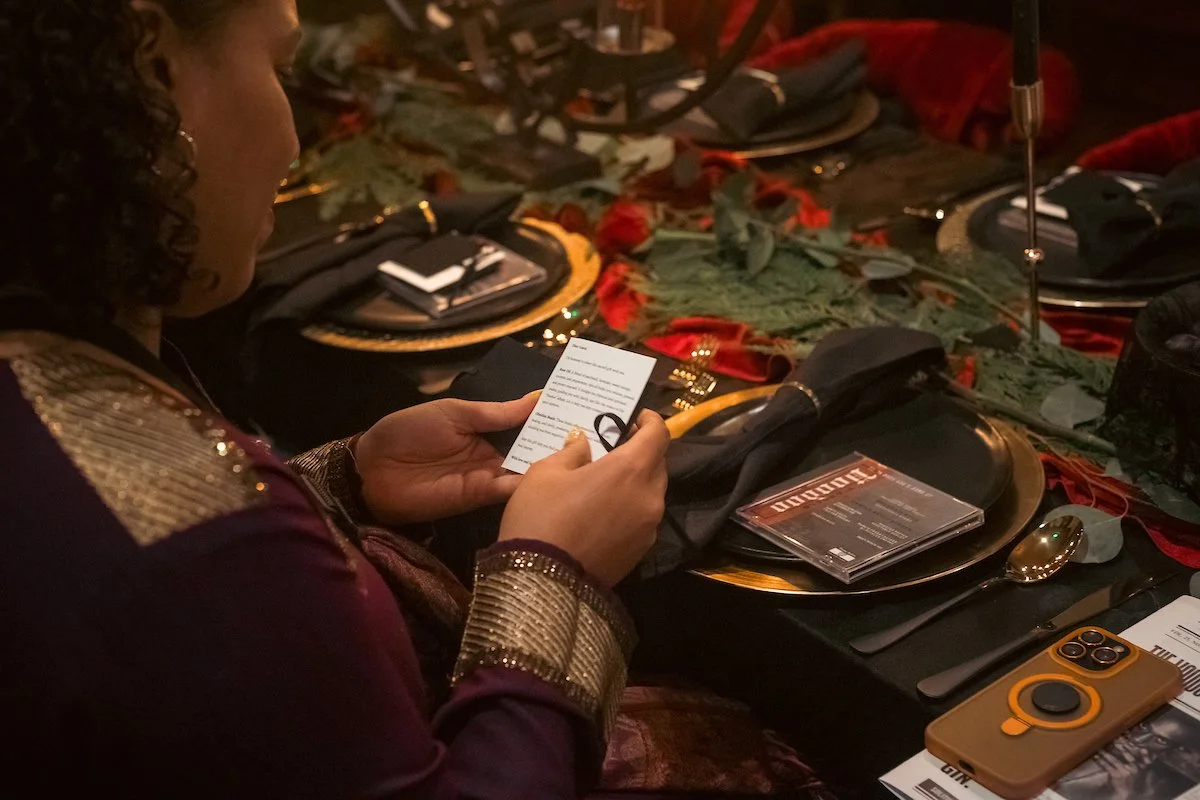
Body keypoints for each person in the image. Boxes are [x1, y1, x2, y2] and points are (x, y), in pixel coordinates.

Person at [0, 0, 672, 796]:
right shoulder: (194, 553)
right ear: (150, 76)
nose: (295, 143)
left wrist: (336, 482)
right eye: (279, 67)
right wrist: (552, 576)